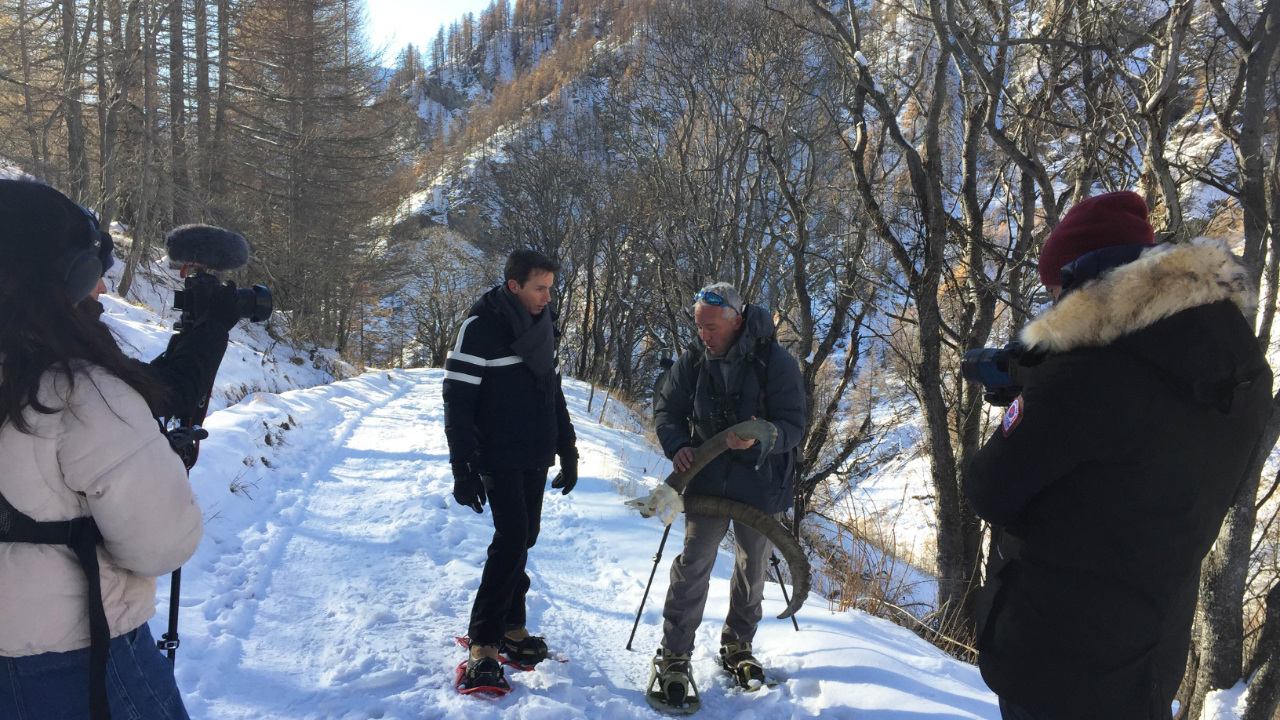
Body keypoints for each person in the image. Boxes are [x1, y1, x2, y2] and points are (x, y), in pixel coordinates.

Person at [964, 191, 1273, 720]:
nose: (1054, 304)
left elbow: (989, 489)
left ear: (1091, 282)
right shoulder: (1238, 368)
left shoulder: (1086, 379)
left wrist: (1030, 398)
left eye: (1058, 290)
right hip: (1150, 655)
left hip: (1058, 658)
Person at [0, 179, 204, 719]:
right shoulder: (80, 395)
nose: (102, 294)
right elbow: (163, 545)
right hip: (76, 666)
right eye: (94, 278)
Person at [649, 282, 806, 703]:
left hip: (759, 481)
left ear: (737, 321)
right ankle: (674, 655)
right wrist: (678, 443)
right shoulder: (694, 359)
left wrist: (762, 436)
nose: (704, 335)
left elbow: (793, 425)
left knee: (753, 563)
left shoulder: (775, 362)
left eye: (712, 327)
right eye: (699, 326)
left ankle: (739, 643)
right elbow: (666, 408)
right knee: (694, 562)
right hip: (706, 478)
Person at [442, 248, 579, 691]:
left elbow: (551, 392)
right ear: (514, 285)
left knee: (527, 536)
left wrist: (568, 449)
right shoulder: (480, 328)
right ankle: (483, 640)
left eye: (550, 288)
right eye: (540, 288)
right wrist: (462, 467)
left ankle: (511, 625)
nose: (547, 296)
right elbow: (457, 400)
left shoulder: (544, 325)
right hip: (496, 453)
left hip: (535, 452)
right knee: (512, 537)